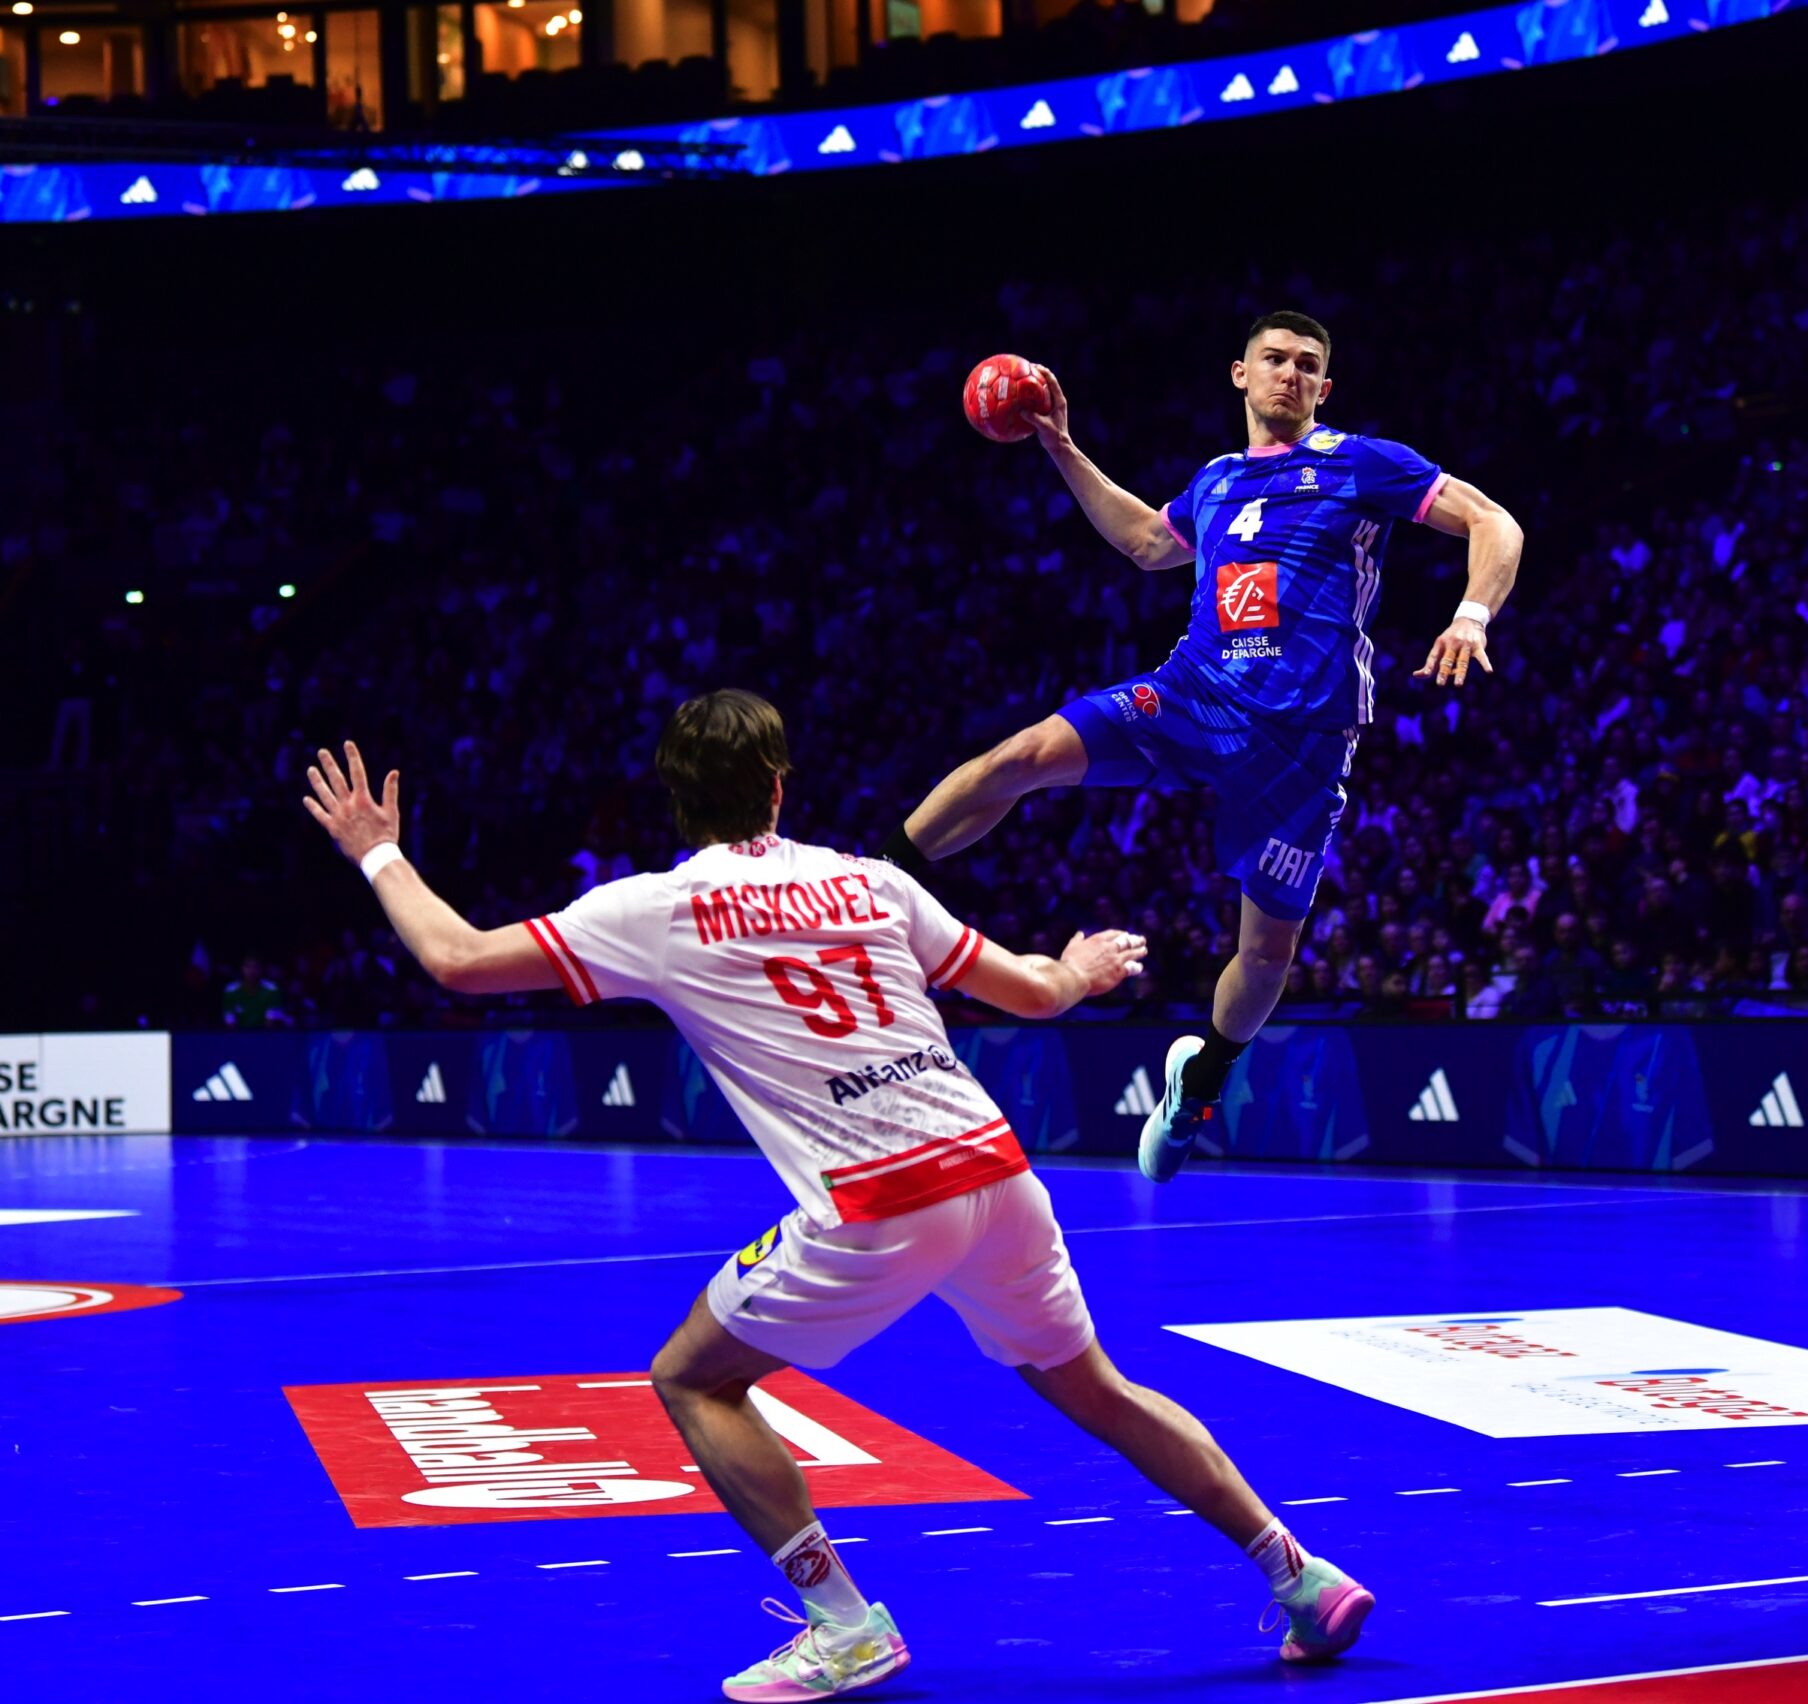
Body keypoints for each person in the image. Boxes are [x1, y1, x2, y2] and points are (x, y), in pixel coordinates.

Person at [297, 692, 1373, 1700]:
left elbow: (454, 958)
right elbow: (1035, 993)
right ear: (778, 784)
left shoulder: (651, 909)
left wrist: (375, 850)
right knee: (1095, 1387)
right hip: (998, 1176)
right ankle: (1303, 1576)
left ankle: (845, 1622)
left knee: (693, 1379)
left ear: (677, 798)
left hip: (877, 1204)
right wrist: (1080, 967)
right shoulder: (874, 881)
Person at [885, 311, 1524, 1183]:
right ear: (1240, 374)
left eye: (1308, 366)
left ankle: (1202, 1081)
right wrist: (1062, 447)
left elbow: (1495, 522)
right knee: (1021, 757)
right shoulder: (1218, 480)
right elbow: (1149, 542)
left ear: (1324, 388)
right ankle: (873, 888)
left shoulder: (1360, 463)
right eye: (1275, 360)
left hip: (1300, 745)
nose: (1290, 375)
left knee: (1265, 956)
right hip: (1191, 695)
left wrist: (1470, 614)